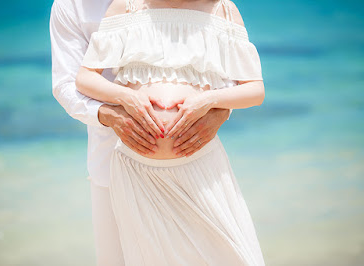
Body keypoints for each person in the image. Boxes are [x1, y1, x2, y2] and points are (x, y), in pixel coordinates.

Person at [74, 0, 266, 265]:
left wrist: (210, 100)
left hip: (200, 168)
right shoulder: (126, 7)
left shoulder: (223, 10)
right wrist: (125, 96)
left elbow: (255, 91)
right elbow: (85, 79)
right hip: (137, 172)